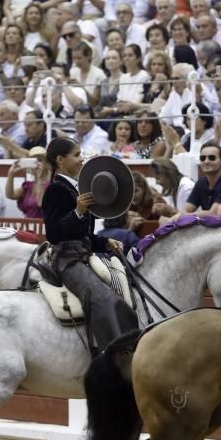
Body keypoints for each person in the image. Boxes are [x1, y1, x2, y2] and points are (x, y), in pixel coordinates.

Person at [41, 136, 135, 354]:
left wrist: (105, 242)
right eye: (76, 155)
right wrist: (78, 212)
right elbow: (54, 235)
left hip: (81, 255)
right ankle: (107, 355)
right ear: (60, 160)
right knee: (102, 297)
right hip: (66, 259)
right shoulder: (55, 190)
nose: (81, 160)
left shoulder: (76, 189)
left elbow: (85, 235)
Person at [183, 142, 221, 217]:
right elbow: (185, 210)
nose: (206, 161)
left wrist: (185, 216)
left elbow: (213, 213)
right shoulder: (201, 182)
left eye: (212, 158)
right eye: (202, 158)